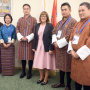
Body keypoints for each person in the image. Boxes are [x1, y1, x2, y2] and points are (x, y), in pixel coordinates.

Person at [51, 3, 77, 90]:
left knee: (68, 67)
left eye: (65, 9)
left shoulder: (73, 22)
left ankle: (68, 85)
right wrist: (55, 41)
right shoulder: (59, 22)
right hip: (58, 48)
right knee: (61, 66)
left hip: (67, 49)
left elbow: (70, 35)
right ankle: (61, 82)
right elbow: (54, 31)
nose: (64, 11)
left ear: (70, 10)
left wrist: (58, 43)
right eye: (62, 10)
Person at [67, 2, 90, 90]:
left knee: (86, 79)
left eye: (83, 10)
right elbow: (71, 38)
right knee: (76, 79)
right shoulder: (77, 23)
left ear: (89, 10)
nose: (80, 12)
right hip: (74, 57)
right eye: (79, 11)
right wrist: (71, 50)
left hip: (86, 58)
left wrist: (79, 53)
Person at [32, 11, 56, 85]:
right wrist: (34, 47)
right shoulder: (37, 25)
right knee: (40, 62)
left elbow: (52, 37)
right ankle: (41, 77)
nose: (43, 17)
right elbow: (35, 37)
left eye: (45, 16)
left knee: (47, 63)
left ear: (47, 18)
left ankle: (46, 79)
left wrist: (51, 48)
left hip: (47, 47)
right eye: (42, 16)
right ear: (40, 17)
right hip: (38, 46)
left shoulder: (50, 25)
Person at [16, 4, 37, 79]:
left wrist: (28, 38)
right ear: (23, 10)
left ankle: (30, 72)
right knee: (23, 57)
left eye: (27, 9)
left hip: (30, 41)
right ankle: (23, 71)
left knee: (30, 57)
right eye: (24, 9)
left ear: (30, 10)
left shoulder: (34, 19)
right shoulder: (20, 19)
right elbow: (17, 29)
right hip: (21, 41)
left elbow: (35, 30)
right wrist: (21, 38)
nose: (26, 10)